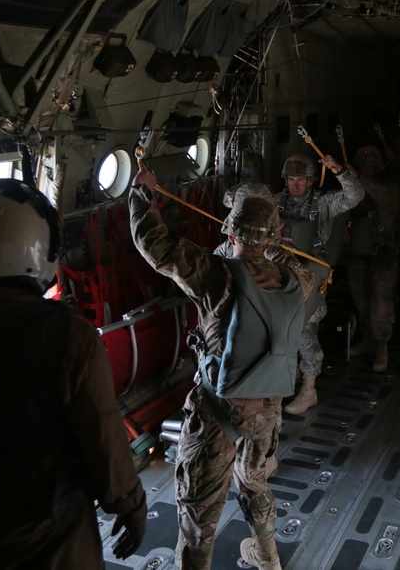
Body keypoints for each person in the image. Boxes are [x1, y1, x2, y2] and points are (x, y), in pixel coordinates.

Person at [0, 125, 146, 569]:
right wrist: (130, 505)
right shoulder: (69, 337)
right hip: (43, 536)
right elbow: (103, 435)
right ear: (42, 253)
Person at [130, 172, 313, 570]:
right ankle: (268, 557)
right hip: (267, 412)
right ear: (275, 235)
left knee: (199, 511)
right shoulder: (296, 279)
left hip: (217, 412)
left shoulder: (216, 274)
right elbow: (295, 266)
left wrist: (141, 193)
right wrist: (276, 248)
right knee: (254, 482)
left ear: (230, 231)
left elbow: (155, 245)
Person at [277, 153, 363, 414]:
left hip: (311, 276)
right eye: (291, 180)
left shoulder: (323, 204)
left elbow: (354, 196)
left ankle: (309, 388)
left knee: (304, 331)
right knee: (282, 330)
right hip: (280, 274)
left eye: (301, 180)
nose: (295, 185)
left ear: (311, 181)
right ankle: (292, 378)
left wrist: (339, 171)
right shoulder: (276, 203)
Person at [345, 146, 400, 372]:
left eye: (371, 166)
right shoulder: (357, 193)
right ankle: (367, 338)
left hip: (382, 256)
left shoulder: (388, 190)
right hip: (359, 254)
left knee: (381, 303)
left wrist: (356, 178)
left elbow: (379, 192)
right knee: (362, 300)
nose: (367, 170)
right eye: (363, 166)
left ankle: (381, 346)